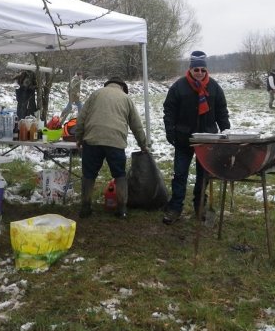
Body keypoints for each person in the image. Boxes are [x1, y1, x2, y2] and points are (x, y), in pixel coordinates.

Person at [162, 51, 230, 225]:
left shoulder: (214, 87)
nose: (199, 72)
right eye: (196, 69)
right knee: (180, 174)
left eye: (202, 69)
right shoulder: (179, 87)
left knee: (203, 175)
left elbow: (221, 111)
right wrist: (170, 131)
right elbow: (169, 111)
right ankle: (175, 208)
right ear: (190, 69)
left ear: (206, 70)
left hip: (207, 139)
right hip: (184, 139)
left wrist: (226, 130)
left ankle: (200, 206)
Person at [75, 77, 148, 219]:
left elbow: (81, 117)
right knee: (120, 175)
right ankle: (122, 209)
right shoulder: (126, 98)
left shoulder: (96, 94)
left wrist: (78, 137)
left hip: (92, 139)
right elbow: (136, 125)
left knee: (88, 174)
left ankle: (85, 207)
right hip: (115, 141)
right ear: (123, 87)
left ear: (107, 85)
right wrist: (143, 144)